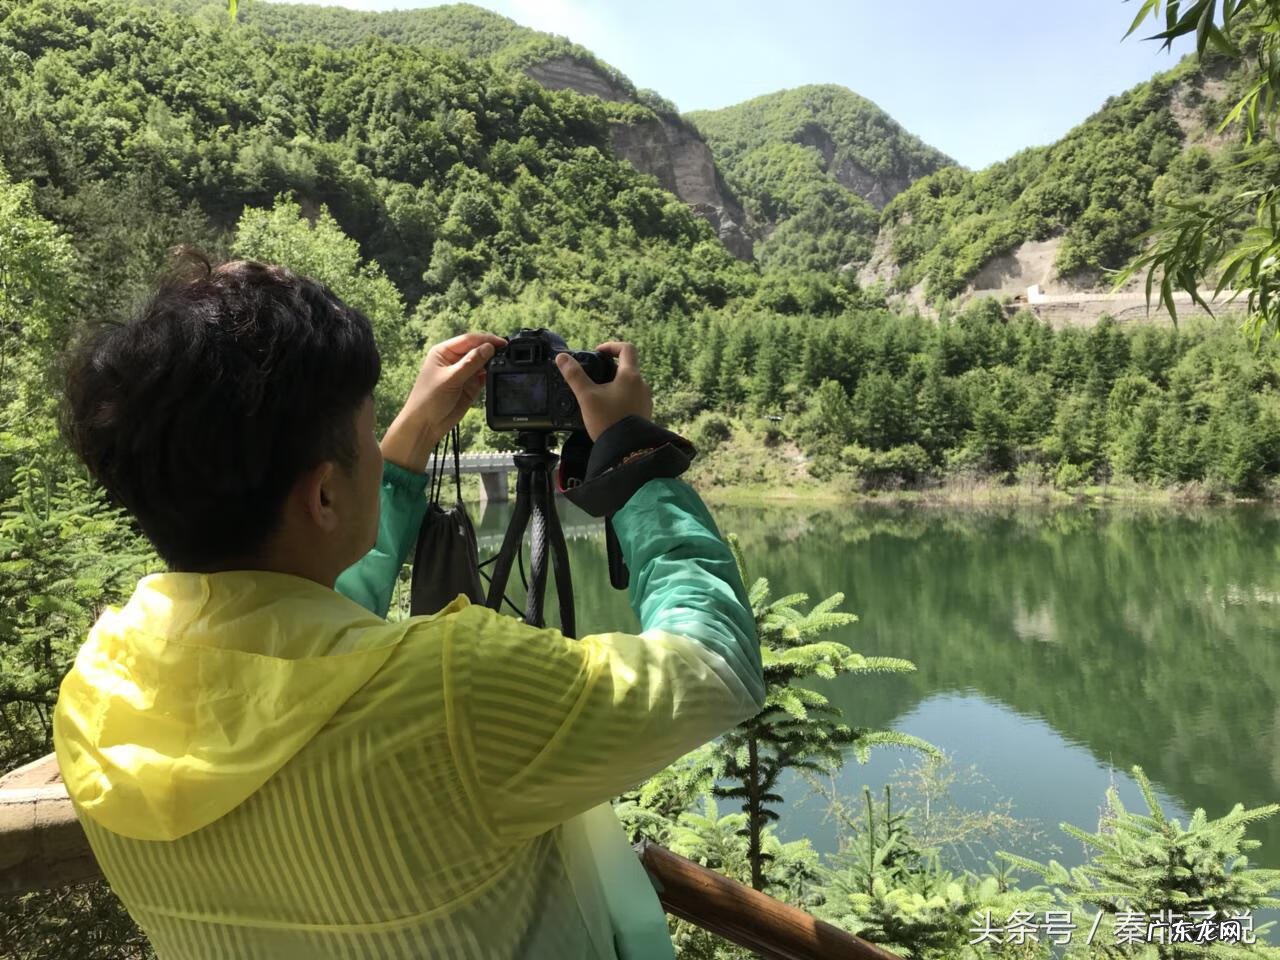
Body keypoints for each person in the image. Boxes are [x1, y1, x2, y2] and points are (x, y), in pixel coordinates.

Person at [51, 254, 764, 959]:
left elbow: (296, 621)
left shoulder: (98, 696)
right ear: (324, 495)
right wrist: (633, 458)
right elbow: (714, 665)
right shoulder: (451, 691)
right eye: (365, 432)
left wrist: (411, 436)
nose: (376, 440)